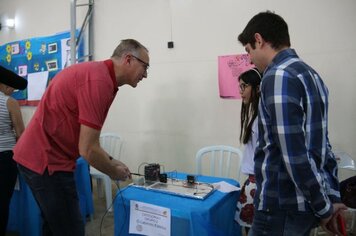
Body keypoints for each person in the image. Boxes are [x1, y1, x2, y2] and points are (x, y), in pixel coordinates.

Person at [13, 39, 149, 236]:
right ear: (128, 59)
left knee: (54, 226)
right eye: (144, 67)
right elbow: (87, 149)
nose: (145, 74)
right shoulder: (99, 81)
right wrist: (113, 171)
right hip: (46, 160)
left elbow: (88, 141)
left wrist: (111, 160)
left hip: (43, 156)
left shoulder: (101, 77)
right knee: (70, 228)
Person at [237, 11, 347, 236]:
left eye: (248, 50)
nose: (249, 59)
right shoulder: (312, 76)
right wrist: (331, 197)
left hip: (280, 207)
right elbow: (322, 146)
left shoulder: (277, 76)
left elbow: (295, 156)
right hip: (300, 207)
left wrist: (324, 209)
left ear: (259, 39)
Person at [0, 65, 27, 236]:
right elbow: (21, 135)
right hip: (4, 159)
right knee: (2, 202)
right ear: (6, 85)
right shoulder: (9, 102)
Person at [234, 68, 261, 235]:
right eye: (240, 86)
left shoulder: (260, 121)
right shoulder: (256, 117)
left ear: (257, 87)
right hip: (252, 183)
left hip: (258, 185)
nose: (241, 91)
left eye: (244, 86)